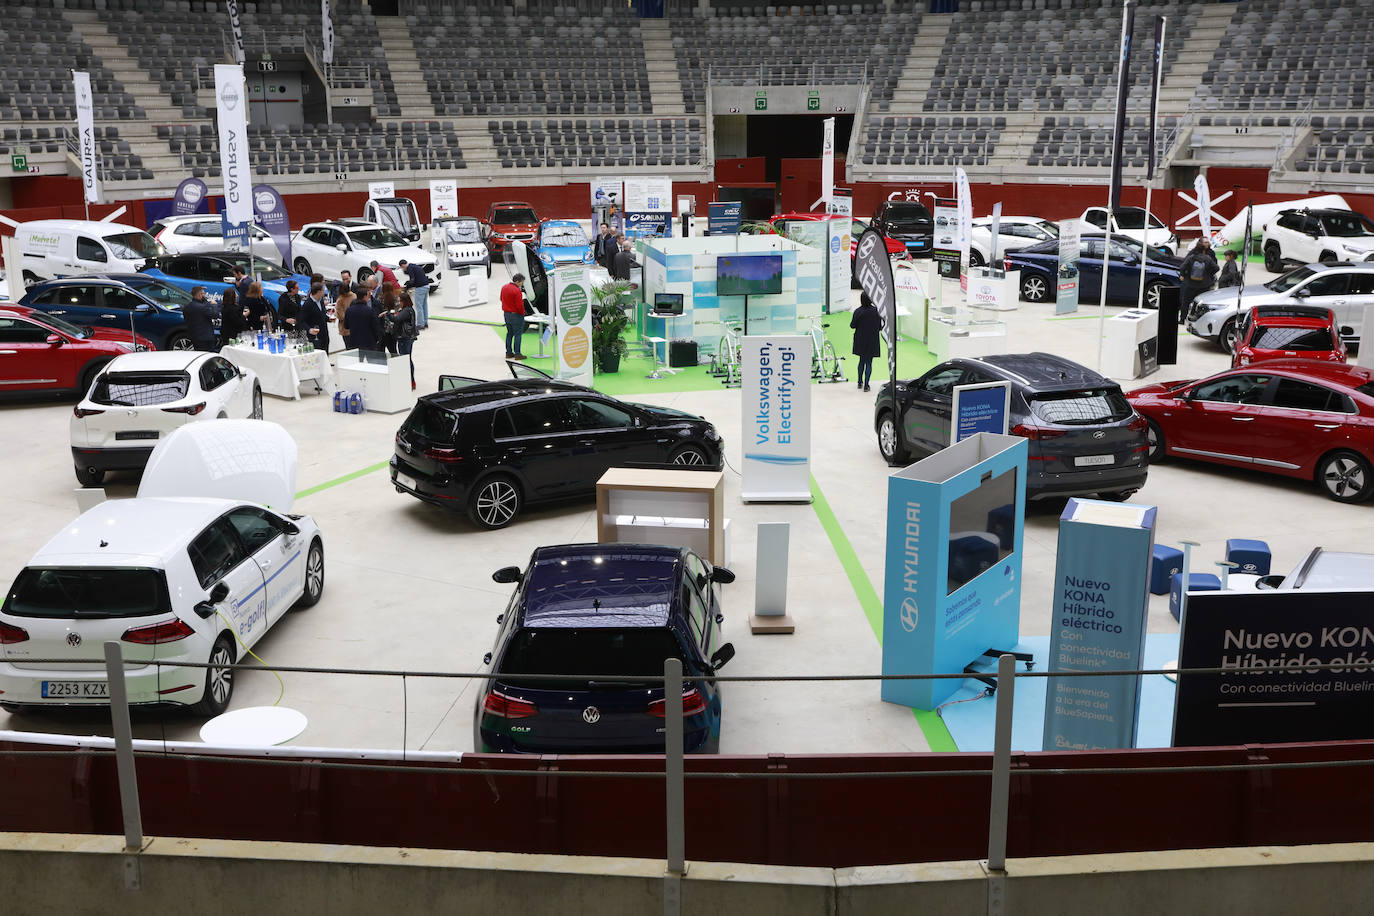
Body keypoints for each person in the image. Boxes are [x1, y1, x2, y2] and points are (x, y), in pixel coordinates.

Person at [1177, 236, 1218, 321]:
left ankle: (1182, 319)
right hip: (1204, 284)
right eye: (1205, 242)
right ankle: (1199, 319)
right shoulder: (1208, 257)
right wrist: (1209, 275)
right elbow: (1216, 268)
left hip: (1190, 283)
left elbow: (1183, 266)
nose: (1207, 243)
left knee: (1186, 301)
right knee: (1202, 302)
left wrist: (1183, 275)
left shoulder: (1191, 256)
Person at [850, 292, 881, 393]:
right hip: (872, 340)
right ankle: (866, 385)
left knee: (861, 361)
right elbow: (880, 327)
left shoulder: (858, 311)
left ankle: (859, 382)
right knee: (869, 362)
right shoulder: (876, 311)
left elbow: (852, 325)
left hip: (860, 339)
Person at [388, 290, 419, 390]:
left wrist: (388, 314)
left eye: (399, 301)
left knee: (405, 360)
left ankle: (410, 381)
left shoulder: (406, 311)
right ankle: (411, 381)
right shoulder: (409, 310)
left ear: (404, 301)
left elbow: (396, 320)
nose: (398, 303)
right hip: (407, 338)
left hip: (404, 338)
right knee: (407, 359)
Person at [398, 258, 432, 331]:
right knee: (424, 305)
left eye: (402, 268)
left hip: (420, 288)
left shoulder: (409, 268)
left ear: (403, 265)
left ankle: (420, 324)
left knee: (418, 306)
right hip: (427, 286)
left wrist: (406, 288)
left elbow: (412, 280)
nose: (403, 270)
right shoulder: (415, 266)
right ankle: (425, 322)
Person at [184, 285, 219, 352]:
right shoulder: (203, 307)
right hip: (206, 339)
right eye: (203, 293)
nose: (205, 295)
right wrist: (214, 305)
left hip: (194, 337)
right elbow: (215, 315)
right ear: (200, 295)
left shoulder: (187, 307)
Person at [501, 272, 527, 360]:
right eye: (522, 282)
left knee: (509, 333)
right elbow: (520, 305)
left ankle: (508, 352)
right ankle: (517, 354)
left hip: (506, 314)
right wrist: (523, 313)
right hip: (516, 315)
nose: (522, 284)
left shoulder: (504, 287)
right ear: (518, 281)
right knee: (518, 334)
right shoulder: (517, 291)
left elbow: (501, 298)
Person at [301, 282, 330, 353]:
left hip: (324, 332)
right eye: (323, 290)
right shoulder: (308, 304)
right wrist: (309, 329)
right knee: (317, 354)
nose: (324, 292)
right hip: (315, 335)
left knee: (325, 350)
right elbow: (302, 320)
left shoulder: (321, 301)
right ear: (319, 292)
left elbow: (322, 315)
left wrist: (329, 319)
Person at [378, 282, 399, 355]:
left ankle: (382, 364)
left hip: (383, 326)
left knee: (381, 348)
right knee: (393, 349)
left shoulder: (380, 299)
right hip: (393, 326)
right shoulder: (396, 298)